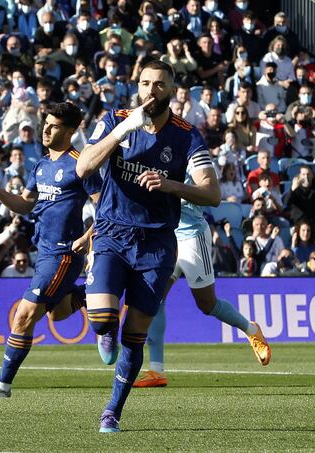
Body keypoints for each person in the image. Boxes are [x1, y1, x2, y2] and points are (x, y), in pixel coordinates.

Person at [76, 59, 228, 433]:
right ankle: (103, 321)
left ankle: (112, 410)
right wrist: (122, 130)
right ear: (136, 84)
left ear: (172, 91)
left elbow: (213, 193)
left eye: (159, 85)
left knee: (135, 335)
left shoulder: (187, 135)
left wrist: (172, 185)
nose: (151, 91)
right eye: (145, 83)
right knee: (102, 322)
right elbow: (84, 168)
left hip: (158, 244)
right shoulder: (115, 119)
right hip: (112, 233)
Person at [0, 102, 102, 399]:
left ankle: (2, 385)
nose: (46, 129)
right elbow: (27, 204)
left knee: (24, 315)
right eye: (46, 123)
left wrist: (87, 237)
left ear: (70, 130)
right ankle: (92, 291)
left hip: (65, 253)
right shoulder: (41, 165)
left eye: (54, 126)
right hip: (44, 253)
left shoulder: (80, 164)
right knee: (57, 315)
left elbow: (105, 206)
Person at [133, 197, 271, 388]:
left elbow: (211, 194)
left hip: (192, 237)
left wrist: (172, 188)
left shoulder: (196, 165)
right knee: (155, 298)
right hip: (166, 237)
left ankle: (251, 329)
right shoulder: (154, 166)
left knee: (207, 304)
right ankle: (157, 370)